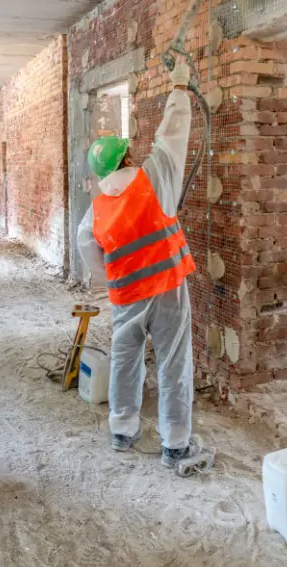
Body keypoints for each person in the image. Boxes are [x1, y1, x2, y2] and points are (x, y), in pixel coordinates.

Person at [76, 59, 200, 469]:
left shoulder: (96, 210)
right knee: (173, 361)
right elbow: (173, 134)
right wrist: (178, 87)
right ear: (127, 157)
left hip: (127, 294)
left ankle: (122, 430)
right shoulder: (155, 176)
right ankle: (175, 443)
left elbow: (87, 247)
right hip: (167, 289)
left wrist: (110, 277)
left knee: (125, 359)